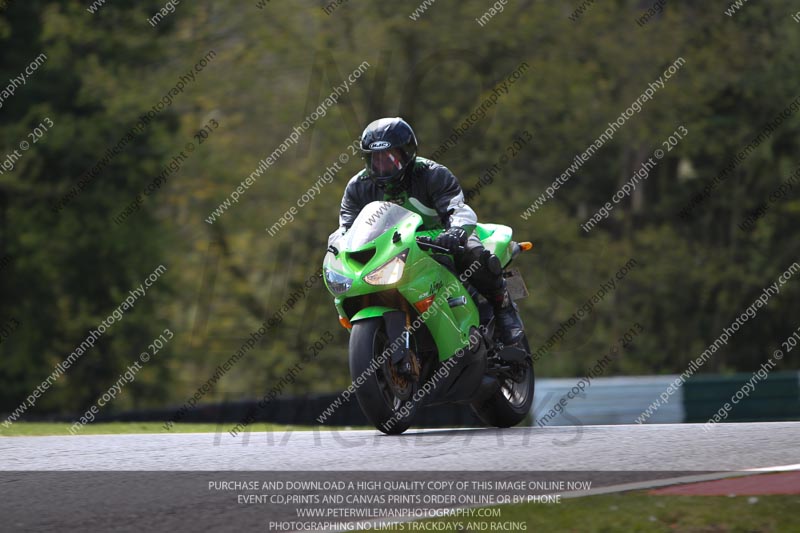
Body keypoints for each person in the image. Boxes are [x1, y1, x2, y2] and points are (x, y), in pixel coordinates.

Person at [330, 117, 524, 345]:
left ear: (407, 153)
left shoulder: (432, 174)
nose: (382, 166)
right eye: (376, 159)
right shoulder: (357, 187)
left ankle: (503, 309)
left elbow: (458, 209)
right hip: (392, 249)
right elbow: (345, 229)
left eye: (390, 158)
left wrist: (457, 232)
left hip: (441, 237)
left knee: (472, 252)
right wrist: (336, 249)